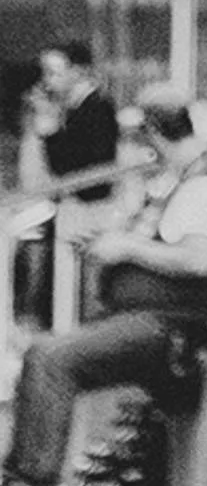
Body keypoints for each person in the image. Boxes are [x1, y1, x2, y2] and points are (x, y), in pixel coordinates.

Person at [0, 85, 207, 486]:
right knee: (40, 353)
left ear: (155, 135)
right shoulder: (172, 184)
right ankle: (17, 480)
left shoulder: (206, 187)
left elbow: (197, 259)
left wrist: (126, 248)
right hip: (143, 321)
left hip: (172, 330)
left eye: (137, 141)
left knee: (54, 359)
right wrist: (110, 241)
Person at [11, 37, 123, 330]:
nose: (48, 81)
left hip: (90, 208)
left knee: (74, 286)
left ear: (79, 71)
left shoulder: (96, 108)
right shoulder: (74, 109)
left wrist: (50, 133)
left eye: (55, 72)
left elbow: (79, 170)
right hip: (75, 207)